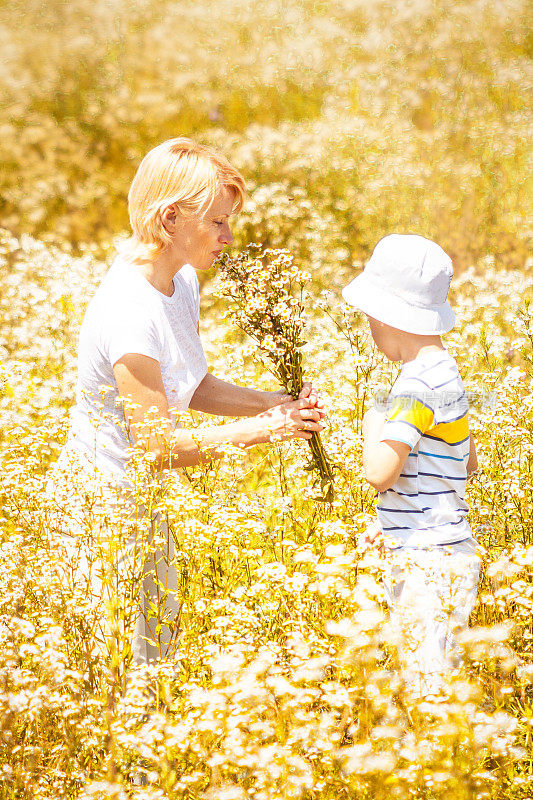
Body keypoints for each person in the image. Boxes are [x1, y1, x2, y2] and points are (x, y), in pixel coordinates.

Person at [47, 137, 324, 668]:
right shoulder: (130, 310)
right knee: (120, 670)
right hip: (105, 512)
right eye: (217, 222)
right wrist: (270, 427)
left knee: (157, 660)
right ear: (170, 218)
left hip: (146, 504)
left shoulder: (183, 281)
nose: (229, 236)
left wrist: (281, 403)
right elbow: (159, 447)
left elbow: (191, 387)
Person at [342, 233, 481, 699]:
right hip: (451, 549)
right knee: (440, 675)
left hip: (426, 562)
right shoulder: (447, 372)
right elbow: (467, 463)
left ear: (387, 317)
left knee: (426, 687)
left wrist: (372, 423)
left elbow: (379, 473)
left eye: (370, 320)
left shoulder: (413, 386)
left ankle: (438, 769)